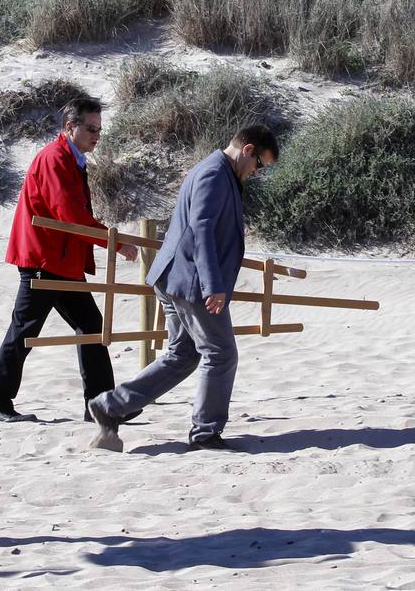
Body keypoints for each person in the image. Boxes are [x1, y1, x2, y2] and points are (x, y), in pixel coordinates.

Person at [87, 124, 279, 452]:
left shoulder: (218, 171)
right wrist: (212, 284)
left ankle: (110, 407)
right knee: (220, 353)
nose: (256, 172)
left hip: (177, 278)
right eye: (259, 165)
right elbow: (201, 229)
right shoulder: (214, 174)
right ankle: (205, 433)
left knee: (183, 354)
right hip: (190, 281)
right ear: (248, 150)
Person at [0, 97, 137, 423]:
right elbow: (69, 216)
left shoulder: (72, 158)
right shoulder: (55, 158)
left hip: (61, 261)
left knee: (91, 328)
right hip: (44, 259)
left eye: (99, 129)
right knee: (24, 332)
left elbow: (73, 217)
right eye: (91, 128)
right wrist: (114, 242)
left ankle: (99, 405)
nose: (97, 135)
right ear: (70, 127)